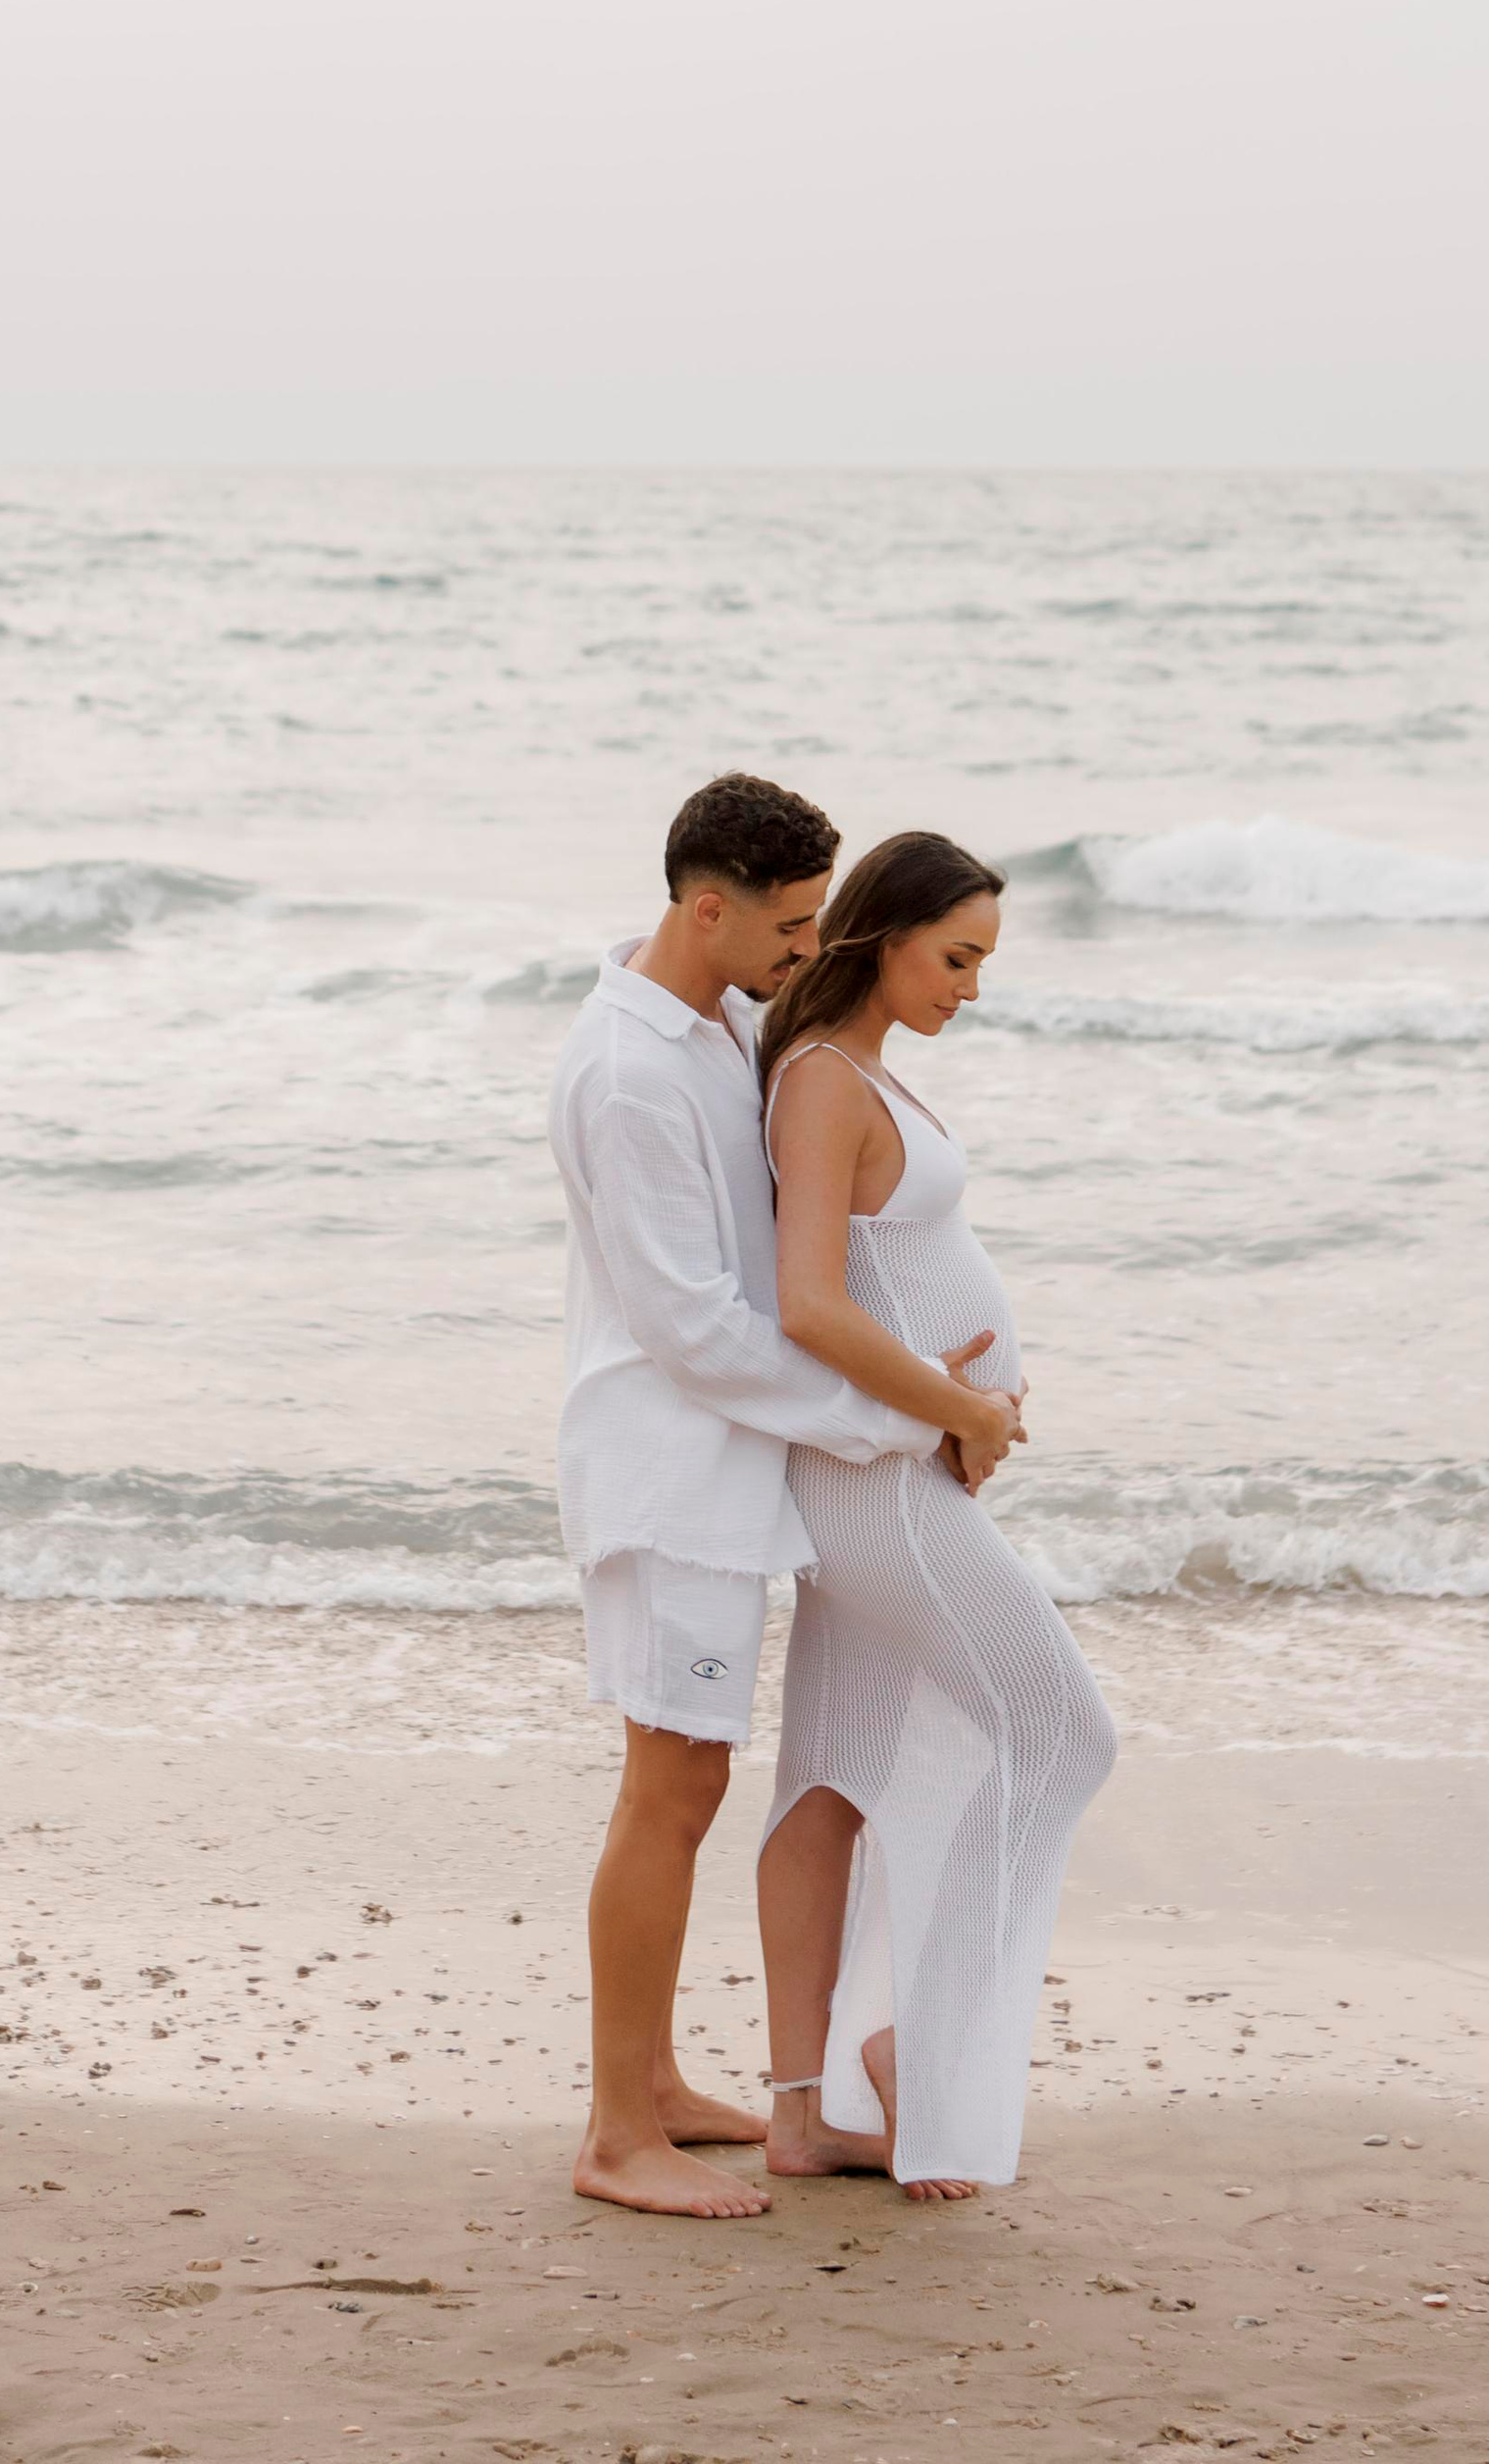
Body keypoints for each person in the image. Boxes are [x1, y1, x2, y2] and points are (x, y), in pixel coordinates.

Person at [551, 774, 1025, 2220]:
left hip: (722, 1471)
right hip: (666, 1474)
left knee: (687, 1781)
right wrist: (891, 1422)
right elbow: (692, 1324)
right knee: (672, 1786)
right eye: (791, 923)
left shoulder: (702, 1026)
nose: (805, 951)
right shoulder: (628, 1073)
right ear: (710, 907)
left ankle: (657, 2091)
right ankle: (613, 2136)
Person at [756, 830, 1117, 2199]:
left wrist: (972, 1401)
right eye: (955, 956)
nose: (972, 986)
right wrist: (957, 1411)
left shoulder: (853, 1073)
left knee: (834, 1773)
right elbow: (810, 1303)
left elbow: (888, 1280)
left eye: (982, 963)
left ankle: (802, 2117)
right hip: (878, 1484)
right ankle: (917, 2043)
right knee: (1062, 1733)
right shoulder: (823, 1083)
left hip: (890, 1472)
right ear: (883, 932)